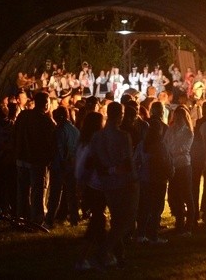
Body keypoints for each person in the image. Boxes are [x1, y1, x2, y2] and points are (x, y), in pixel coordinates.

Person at [90, 102, 139, 267]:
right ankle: (103, 252)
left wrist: (106, 172)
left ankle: (119, 255)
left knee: (118, 219)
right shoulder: (123, 136)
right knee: (126, 221)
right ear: (120, 115)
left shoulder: (97, 136)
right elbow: (127, 162)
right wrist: (133, 178)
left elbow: (96, 160)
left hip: (107, 182)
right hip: (123, 182)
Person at [15, 92, 56, 225]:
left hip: (21, 158)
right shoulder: (46, 120)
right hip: (37, 161)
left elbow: (15, 132)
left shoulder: (23, 115)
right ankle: (36, 218)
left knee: (23, 189)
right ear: (45, 104)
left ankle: (21, 215)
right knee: (38, 190)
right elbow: (51, 141)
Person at [73, 112, 105, 271]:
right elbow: (88, 166)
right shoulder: (93, 144)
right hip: (94, 186)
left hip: (88, 185)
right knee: (97, 222)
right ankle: (82, 259)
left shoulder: (82, 142)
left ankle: (106, 255)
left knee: (99, 221)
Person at [135, 101, 170, 244]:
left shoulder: (142, 144)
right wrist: (170, 173)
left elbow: (135, 159)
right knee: (156, 207)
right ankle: (153, 235)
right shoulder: (161, 145)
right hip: (158, 179)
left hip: (144, 178)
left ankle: (141, 233)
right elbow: (167, 161)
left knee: (144, 206)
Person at [45, 106, 80, 228]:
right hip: (72, 165)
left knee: (55, 193)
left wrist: (60, 162)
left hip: (59, 166)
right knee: (71, 193)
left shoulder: (59, 130)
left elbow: (59, 149)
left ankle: (49, 219)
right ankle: (74, 219)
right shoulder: (75, 130)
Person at [164, 106, 195, 235]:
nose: (177, 119)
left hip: (183, 165)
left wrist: (171, 150)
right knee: (175, 195)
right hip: (173, 165)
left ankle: (189, 224)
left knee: (187, 194)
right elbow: (165, 144)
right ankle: (180, 222)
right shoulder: (170, 130)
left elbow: (183, 148)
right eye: (175, 116)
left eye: (179, 116)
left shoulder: (188, 132)